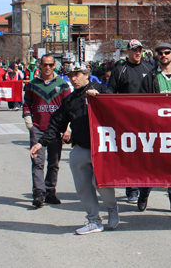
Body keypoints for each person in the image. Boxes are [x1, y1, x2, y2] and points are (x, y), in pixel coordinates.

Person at [30, 62, 118, 234]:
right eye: (70, 75)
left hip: (102, 148)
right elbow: (56, 123)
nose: (73, 78)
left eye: (77, 74)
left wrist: (100, 99)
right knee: (83, 186)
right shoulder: (70, 100)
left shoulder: (101, 90)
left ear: (87, 73)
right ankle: (93, 220)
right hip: (80, 147)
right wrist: (41, 143)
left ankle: (112, 208)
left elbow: (117, 109)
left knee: (101, 184)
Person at [138, 42, 171, 214]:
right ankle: (144, 194)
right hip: (156, 129)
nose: (163, 55)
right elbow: (141, 102)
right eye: (160, 53)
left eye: (167, 52)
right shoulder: (151, 78)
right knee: (152, 166)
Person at [107, 39, 153, 203]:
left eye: (139, 49)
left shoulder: (149, 68)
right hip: (128, 120)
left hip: (147, 118)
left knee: (146, 155)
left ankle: (144, 188)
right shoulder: (120, 70)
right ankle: (131, 189)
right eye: (134, 50)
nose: (137, 52)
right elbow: (109, 94)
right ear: (128, 52)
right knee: (131, 156)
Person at [23, 54, 71, 208]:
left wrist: (67, 128)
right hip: (38, 128)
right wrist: (30, 124)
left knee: (54, 163)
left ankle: (50, 191)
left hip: (56, 130)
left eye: (51, 64)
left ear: (54, 65)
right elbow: (26, 105)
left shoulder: (63, 85)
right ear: (40, 66)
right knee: (37, 162)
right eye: (45, 65)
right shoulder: (32, 85)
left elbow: (69, 108)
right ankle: (38, 192)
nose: (48, 67)